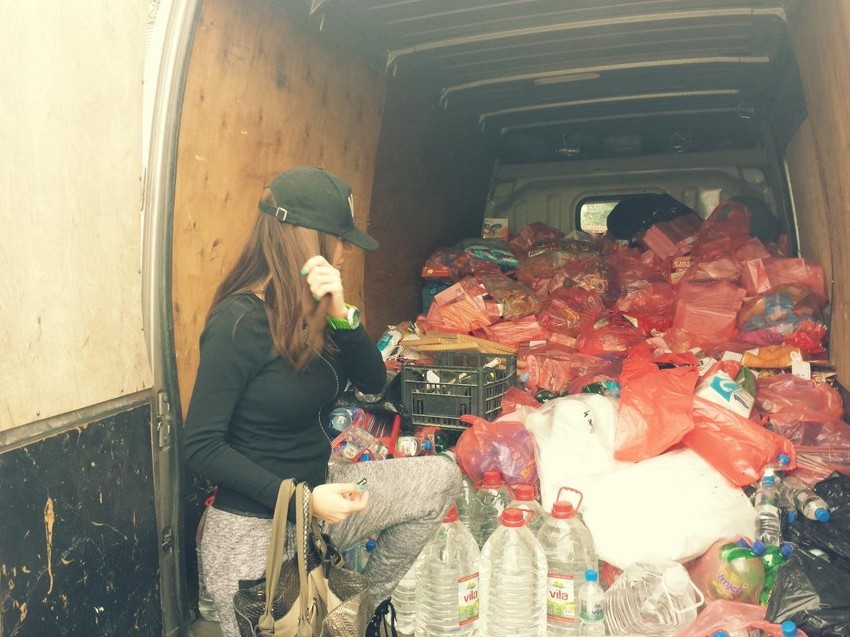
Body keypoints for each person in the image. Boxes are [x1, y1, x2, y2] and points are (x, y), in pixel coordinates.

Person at [183, 166, 461, 637]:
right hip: (257, 531)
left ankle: (357, 614)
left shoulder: (312, 313)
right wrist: (304, 502)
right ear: (307, 241)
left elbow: (372, 384)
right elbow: (200, 446)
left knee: (440, 479)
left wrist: (341, 313)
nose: (346, 252)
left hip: (319, 503)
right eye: (340, 240)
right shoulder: (238, 322)